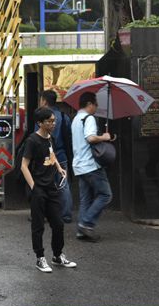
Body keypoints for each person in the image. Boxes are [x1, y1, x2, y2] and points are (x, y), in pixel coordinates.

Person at [20, 106, 77, 273]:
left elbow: (52, 155)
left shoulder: (50, 138)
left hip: (51, 188)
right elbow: (24, 166)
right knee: (38, 226)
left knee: (58, 224)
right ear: (40, 123)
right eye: (49, 121)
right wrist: (33, 187)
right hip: (38, 189)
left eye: (54, 121)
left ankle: (57, 256)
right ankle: (40, 258)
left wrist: (59, 168)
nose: (53, 124)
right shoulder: (32, 141)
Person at [71, 91, 115, 242]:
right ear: (89, 104)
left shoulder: (76, 119)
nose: (96, 107)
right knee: (105, 195)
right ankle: (86, 224)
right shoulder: (88, 118)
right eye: (95, 104)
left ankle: (81, 231)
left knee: (86, 199)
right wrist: (105, 137)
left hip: (78, 165)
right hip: (90, 165)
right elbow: (90, 138)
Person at [39, 90, 74, 223]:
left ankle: (44, 214)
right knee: (63, 185)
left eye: (41, 100)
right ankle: (66, 215)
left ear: (45, 101)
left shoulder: (41, 118)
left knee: (44, 185)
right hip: (61, 155)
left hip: (46, 157)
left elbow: (36, 137)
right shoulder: (64, 117)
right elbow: (69, 138)